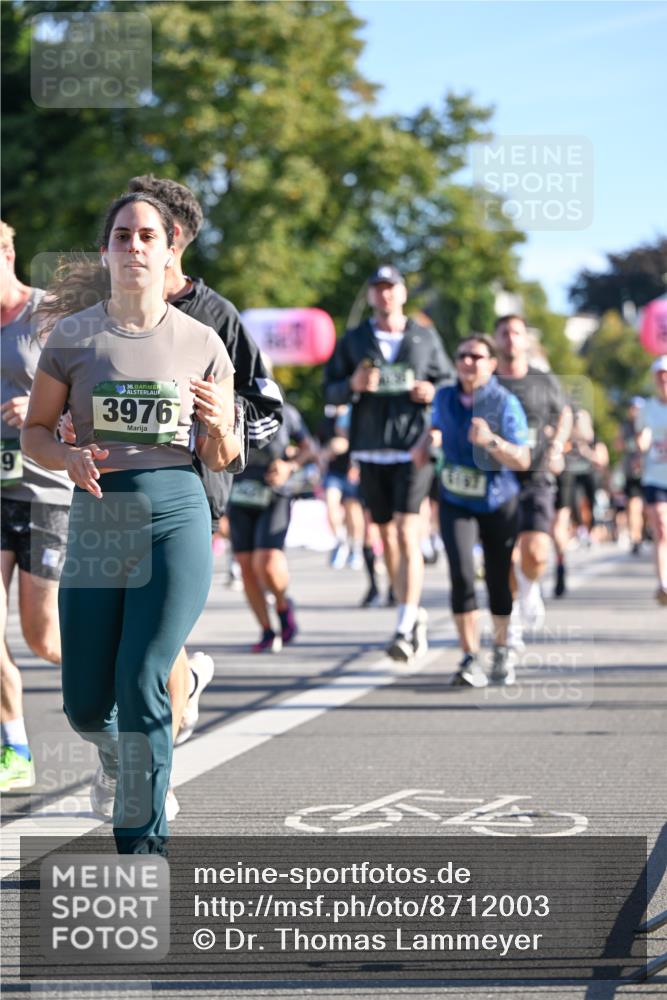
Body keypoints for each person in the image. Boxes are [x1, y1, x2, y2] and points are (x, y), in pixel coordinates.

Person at [22, 192, 241, 855]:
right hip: (100, 515)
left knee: (143, 675)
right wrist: (65, 454)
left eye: (149, 236)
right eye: (123, 235)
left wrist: (216, 426)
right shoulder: (73, 337)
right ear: (106, 250)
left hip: (176, 510)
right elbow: (34, 434)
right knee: (87, 702)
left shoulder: (202, 341)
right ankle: (119, 760)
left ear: (170, 249)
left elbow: (224, 456)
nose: (135, 247)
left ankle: (142, 844)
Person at [324, 264, 453, 661]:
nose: (384, 295)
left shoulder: (424, 336)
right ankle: (409, 610)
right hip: (368, 449)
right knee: (386, 536)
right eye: (377, 289)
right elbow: (329, 391)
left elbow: (449, 383)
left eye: (391, 288)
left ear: (403, 294)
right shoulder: (354, 339)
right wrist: (353, 386)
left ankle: (402, 623)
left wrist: (432, 390)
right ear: (370, 297)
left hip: (413, 448)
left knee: (405, 531)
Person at [0, 221, 73, 791]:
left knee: (44, 637)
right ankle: (15, 748)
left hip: (46, 490)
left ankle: (156, 681)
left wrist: (40, 407)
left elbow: (92, 390)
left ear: (8, 253)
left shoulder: (49, 313)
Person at [413, 334, 530, 687]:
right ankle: (469, 656)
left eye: (477, 357)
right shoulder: (446, 396)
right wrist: (426, 441)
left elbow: (523, 459)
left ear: (492, 364)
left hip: (497, 500)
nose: (468, 362)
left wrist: (492, 441)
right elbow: (434, 427)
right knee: (462, 573)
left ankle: (502, 648)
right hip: (455, 499)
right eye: (463, 355)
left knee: (497, 577)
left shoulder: (504, 402)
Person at [493, 315, 572, 629]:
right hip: (497, 478)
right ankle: (509, 619)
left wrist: (557, 446)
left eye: (516, 332)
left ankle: (530, 588)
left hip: (536, 476)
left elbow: (565, 413)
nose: (510, 338)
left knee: (536, 553)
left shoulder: (543, 380)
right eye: (504, 333)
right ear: (496, 340)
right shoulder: (488, 383)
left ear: (525, 340)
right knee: (505, 554)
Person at [229, 396, 315, 652]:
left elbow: (309, 447)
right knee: (246, 567)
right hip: (238, 495)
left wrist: (290, 466)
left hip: (274, 494)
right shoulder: (225, 407)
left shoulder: (285, 412)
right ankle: (267, 629)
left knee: (265, 561)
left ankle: (281, 604)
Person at [636, 356, 667, 605]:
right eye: (660, 374)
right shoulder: (647, 408)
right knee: (661, 527)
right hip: (654, 477)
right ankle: (663, 584)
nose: (664, 379)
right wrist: (642, 445)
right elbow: (643, 434)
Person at [615, 397, 645, 554]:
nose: (635, 411)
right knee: (634, 507)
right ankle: (636, 538)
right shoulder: (625, 427)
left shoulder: (649, 424)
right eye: (633, 408)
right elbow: (618, 446)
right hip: (632, 473)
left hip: (650, 473)